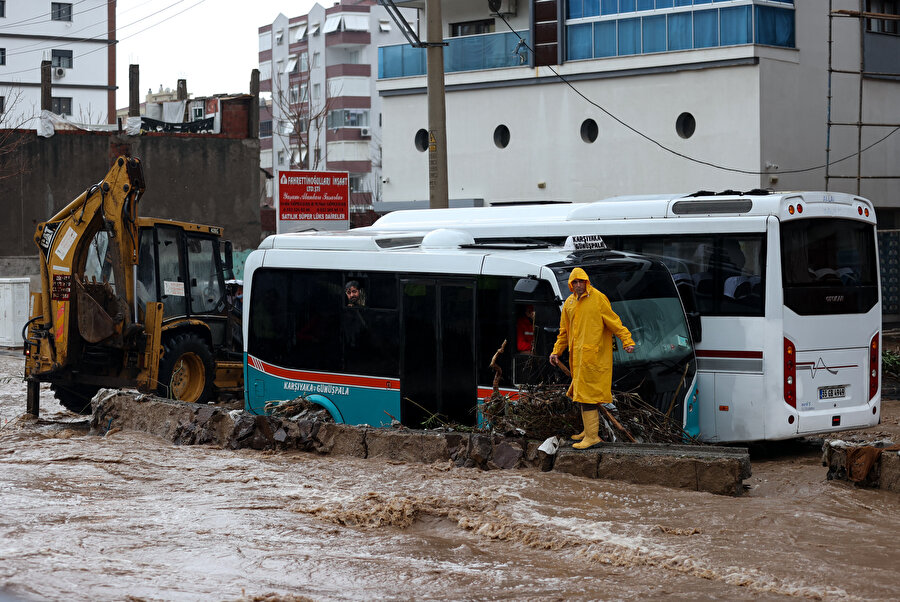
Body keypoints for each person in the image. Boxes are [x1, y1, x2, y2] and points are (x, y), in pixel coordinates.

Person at [550, 267, 636, 449]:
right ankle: (588, 431)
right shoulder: (569, 303)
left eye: (581, 281)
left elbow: (614, 322)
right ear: (571, 284)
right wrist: (556, 351)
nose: (578, 284)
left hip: (594, 358)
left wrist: (627, 341)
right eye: (575, 282)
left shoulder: (598, 298)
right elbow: (564, 332)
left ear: (586, 282)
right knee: (582, 395)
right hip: (578, 359)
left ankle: (592, 437)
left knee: (588, 397)